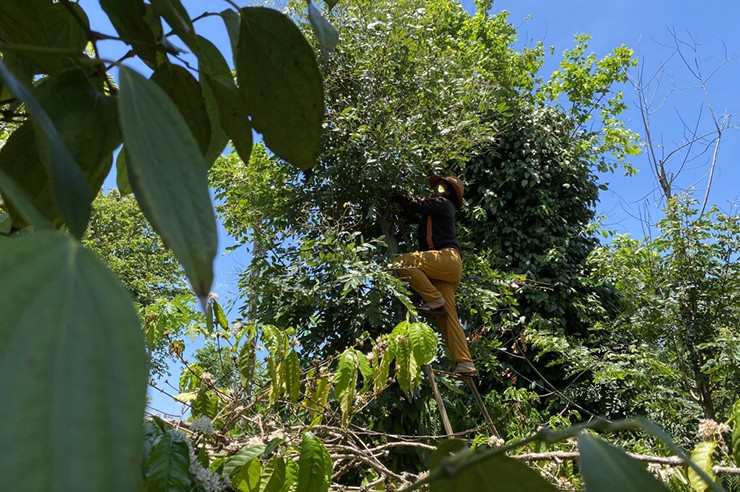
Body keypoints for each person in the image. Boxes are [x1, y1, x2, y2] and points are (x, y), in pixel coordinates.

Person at [391, 175, 477, 376]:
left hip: (447, 258)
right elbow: (415, 214)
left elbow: (414, 204)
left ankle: (433, 297)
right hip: (442, 269)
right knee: (447, 319)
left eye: (442, 186)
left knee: (401, 262)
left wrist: (395, 196)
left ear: (449, 192)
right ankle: (465, 362)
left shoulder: (443, 204)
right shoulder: (435, 210)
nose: (438, 188)